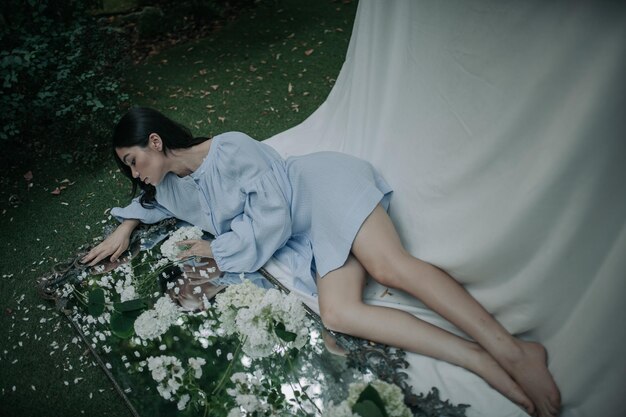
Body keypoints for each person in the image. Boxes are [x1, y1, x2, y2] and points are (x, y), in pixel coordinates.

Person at [82, 107, 561, 417]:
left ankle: (514, 351)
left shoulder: (231, 148)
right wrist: (125, 226)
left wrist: (217, 249)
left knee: (388, 267)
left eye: (132, 161)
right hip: (306, 237)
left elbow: (271, 217)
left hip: (320, 189)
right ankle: (477, 359)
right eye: (128, 167)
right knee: (338, 313)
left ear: (156, 143)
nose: (134, 173)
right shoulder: (169, 187)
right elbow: (150, 206)